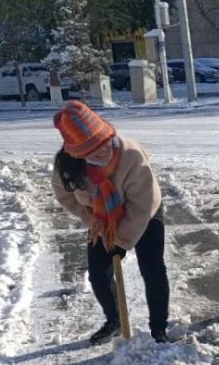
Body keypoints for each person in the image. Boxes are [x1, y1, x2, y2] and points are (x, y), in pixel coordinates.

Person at [51, 101, 170, 344]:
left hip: (143, 213)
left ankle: (159, 328)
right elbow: (65, 196)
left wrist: (122, 239)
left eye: (103, 143)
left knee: (152, 268)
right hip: (102, 219)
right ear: (77, 153)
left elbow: (145, 202)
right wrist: (92, 219)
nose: (102, 151)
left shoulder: (130, 155)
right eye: (92, 150)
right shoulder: (67, 164)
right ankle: (114, 319)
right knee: (98, 274)